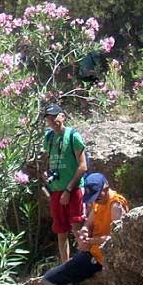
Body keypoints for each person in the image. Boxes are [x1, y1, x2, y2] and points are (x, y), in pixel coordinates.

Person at [41, 172, 129, 285]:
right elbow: (89, 223)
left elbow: (117, 238)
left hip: (101, 257)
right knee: (69, 280)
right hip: (91, 252)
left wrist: (91, 241)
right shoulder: (99, 202)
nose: (95, 200)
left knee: (49, 280)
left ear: (106, 187)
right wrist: (83, 231)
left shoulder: (115, 205)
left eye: (97, 196)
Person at [42, 104, 88, 263]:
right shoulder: (48, 138)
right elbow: (48, 160)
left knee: (77, 229)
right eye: (48, 118)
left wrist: (68, 190)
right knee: (61, 232)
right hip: (56, 190)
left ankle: (84, 262)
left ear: (62, 116)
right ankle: (65, 266)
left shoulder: (73, 136)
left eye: (54, 116)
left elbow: (83, 166)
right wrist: (46, 173)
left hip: (73, 190)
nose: (52, 120)